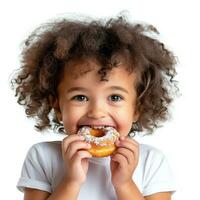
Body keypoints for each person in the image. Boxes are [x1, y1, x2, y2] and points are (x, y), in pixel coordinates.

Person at [13, 15, 178, 200]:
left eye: (115, 97)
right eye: (80, 97)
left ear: (137, 108)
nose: (97, 112)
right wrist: (71, 181)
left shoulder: (151, 162)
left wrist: (125, 184)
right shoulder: (43, 157)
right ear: (58, 106)